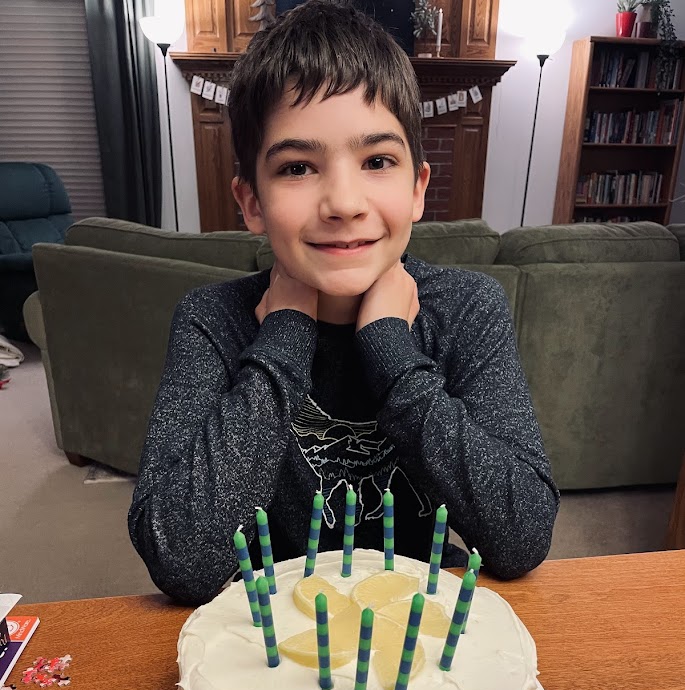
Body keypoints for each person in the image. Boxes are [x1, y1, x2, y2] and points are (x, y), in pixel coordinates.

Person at [128, 0, 559, 605]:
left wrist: (390, 346)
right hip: (278, 639)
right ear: (251, 202)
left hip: (420, 634)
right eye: (299, 167)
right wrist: (283, 333)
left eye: (377, 161)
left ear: (417, 188)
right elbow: (178, 556)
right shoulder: (211, 320)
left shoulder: (467, 308)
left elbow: (523, 534)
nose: (343, 202)